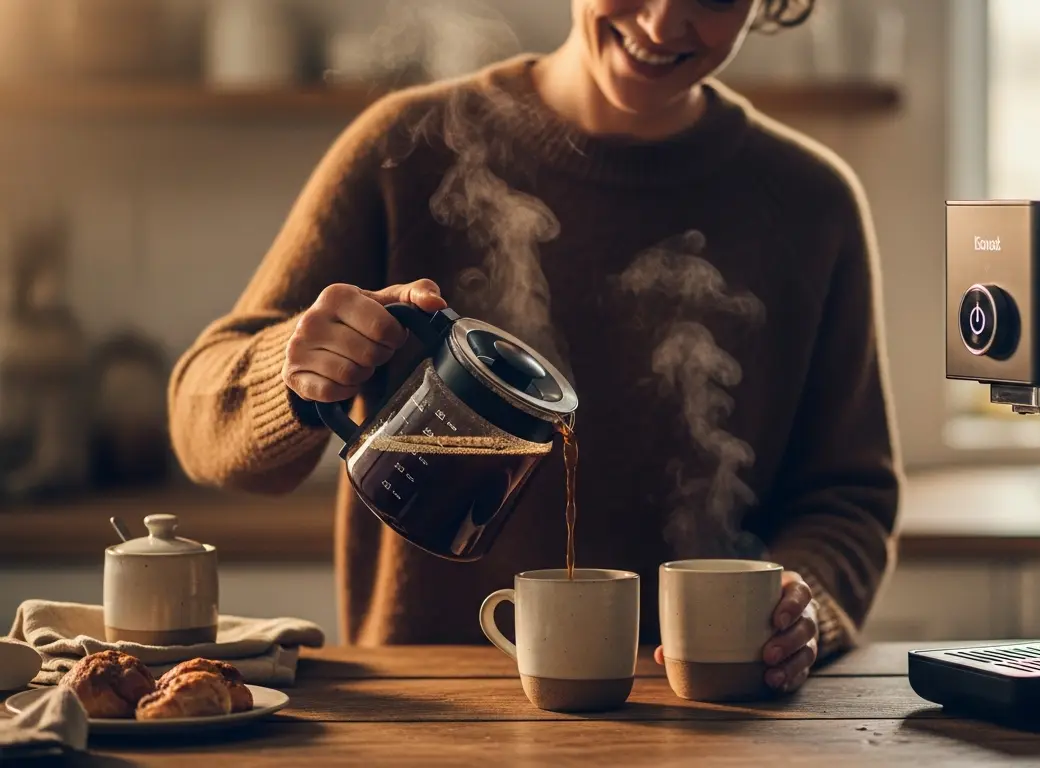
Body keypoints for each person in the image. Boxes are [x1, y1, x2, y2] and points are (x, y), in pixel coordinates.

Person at [168, 0, 901, 695]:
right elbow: (199, 420)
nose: (662, 21)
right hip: (424, 712)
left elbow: (848, 499)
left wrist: (802, 606)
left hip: (704, 717)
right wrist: (296, 374)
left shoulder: (812, 202)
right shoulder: (400, 147)